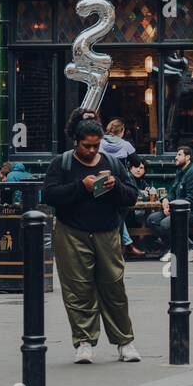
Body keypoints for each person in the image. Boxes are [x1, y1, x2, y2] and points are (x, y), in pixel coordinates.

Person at [41, 119, 141, 364]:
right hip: (71, 232)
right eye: (87, 146)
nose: (93, 151)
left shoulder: (113, 165)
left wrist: (115, 185)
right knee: (77, 289)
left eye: (96, 146)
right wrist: (80, 186)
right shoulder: (61, 163)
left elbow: (131, 196)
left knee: (114, 286)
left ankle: (124, 342)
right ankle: (84, 342)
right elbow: (50, 195)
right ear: (76, 142)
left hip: (107, 231)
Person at [147, 146, 193, 263]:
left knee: (166, 223)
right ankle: (175, 249)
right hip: (180, 209)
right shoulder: (181, 171)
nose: (175, 157)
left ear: (187, 157)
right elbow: (172, 192)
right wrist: (166, 200)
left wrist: (172, 209)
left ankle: (192, 248)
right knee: (152, 220)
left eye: (179, 155)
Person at [100, 119, 141, 257]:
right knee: (120, 213)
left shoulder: (100, 143)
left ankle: (119, 245)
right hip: (121, 182)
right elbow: (136, 162)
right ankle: (123, 245)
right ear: (122, 131)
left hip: (103, 181)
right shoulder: (125, 144)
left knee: (108, 212)